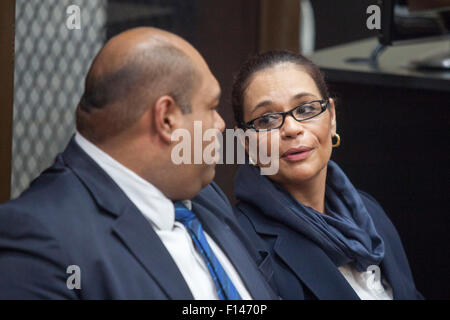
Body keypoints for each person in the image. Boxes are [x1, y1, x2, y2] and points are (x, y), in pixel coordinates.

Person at [0, 27, 275, 300]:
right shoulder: (40, 238)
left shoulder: (205, 197)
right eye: (212, 107)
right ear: (167, 119)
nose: (220, 124)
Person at [231, 50, 423, 300]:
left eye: (306, 109)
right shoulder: (242, 245)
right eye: (267, 119)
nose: (291, 129)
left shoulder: (369, 211)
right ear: (245, 142)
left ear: (331, 117)